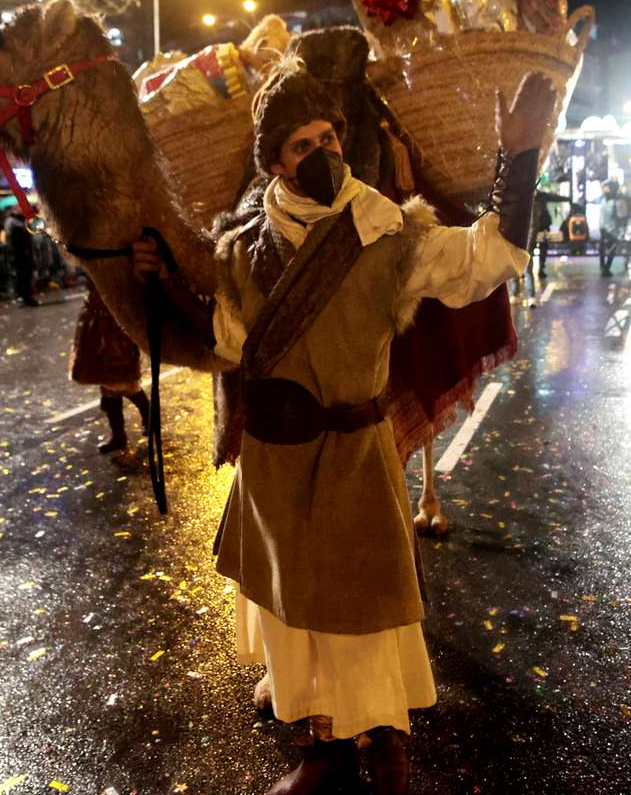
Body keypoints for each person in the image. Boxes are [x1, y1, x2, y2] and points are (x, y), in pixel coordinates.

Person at [132, 60, 554, 794]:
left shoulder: (388, 230)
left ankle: (387, 750)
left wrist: (515, 160)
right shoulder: (244, 250)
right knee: (293, 623)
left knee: (369, 614)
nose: (323, 153)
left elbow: (486, 260)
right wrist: (164, 277)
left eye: (329, 135)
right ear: (275, 163)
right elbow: (228, 344)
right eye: (302, 144)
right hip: (275, 462)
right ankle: (323, 753)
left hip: (356, 454)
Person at [69, 284, 150, 452]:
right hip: (97, 326)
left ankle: (148, 418)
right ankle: (119, 436)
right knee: (107, 387)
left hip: (115, 329)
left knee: (125, 385)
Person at [597, 179, 631, 276]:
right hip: (610, 229)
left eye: (607, 188)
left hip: (607, 228)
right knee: (610, 248)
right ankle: (605, 267)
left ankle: (604, 267)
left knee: (607, 248)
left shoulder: (608, 200)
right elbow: (622, 217)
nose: (605, 190)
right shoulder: (613, 200)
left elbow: (622, 216)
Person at [1, 208, 38, 306]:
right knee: (21, 276)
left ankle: (28, 296)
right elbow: (9, 238)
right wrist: (12, 254)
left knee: (28, 275)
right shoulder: (11, 221)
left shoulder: (23, 220)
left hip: (26, 252)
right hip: (18, 254)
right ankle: (23, 297)